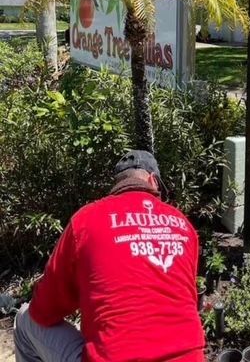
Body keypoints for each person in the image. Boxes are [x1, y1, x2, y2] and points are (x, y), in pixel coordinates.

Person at [14, 150, 205, 362]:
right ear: (153, 181)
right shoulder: (184, 225)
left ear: (117, 184)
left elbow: (43, 311)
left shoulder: (87, 220)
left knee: (25, 319)